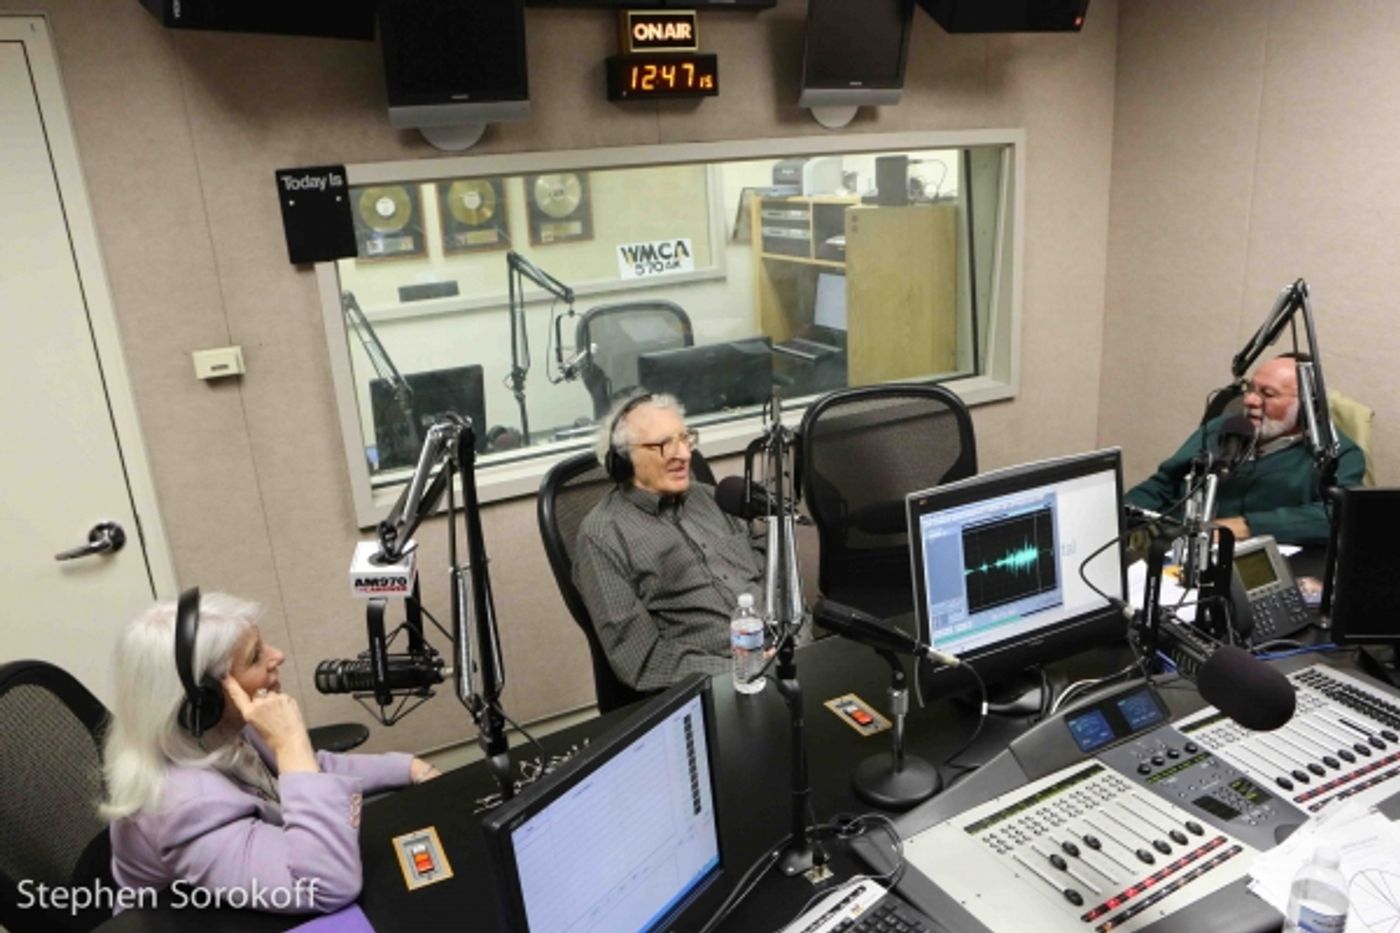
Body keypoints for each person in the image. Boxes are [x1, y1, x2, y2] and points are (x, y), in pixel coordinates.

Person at [102, 592, 440, 914]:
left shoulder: (222, 728)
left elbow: (311, 770)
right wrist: (290, 743)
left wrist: (408, 767)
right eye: (255, 655)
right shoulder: (184, 806)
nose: (277, 655)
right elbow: (326, 887)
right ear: (206, 699)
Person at [573, 392, 766, 692]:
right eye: (665, 444)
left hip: (786, 658)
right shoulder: (601, 536)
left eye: (685, 438)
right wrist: (745, 671)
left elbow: (777, 577)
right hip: (713, 685)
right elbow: (643, 660)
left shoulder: (714, 498)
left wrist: (797, 647)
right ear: (625, 458)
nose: (685, 455)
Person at [1125, 356, 1365, 546]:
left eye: (1268, 394)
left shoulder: (1338, 454)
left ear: (1306, 408)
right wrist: (1120, 515)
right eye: (1251, 389)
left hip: (1260, 568)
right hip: (1177, 549)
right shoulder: (1220, 429)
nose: (1250, 400)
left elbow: (1339, 516)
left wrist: (1241, 526)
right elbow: (1162, 484)